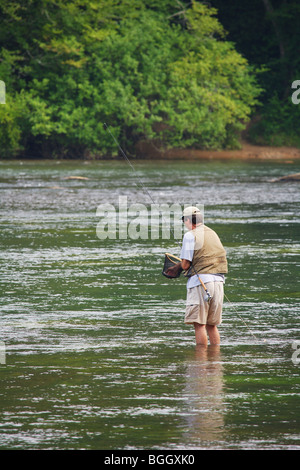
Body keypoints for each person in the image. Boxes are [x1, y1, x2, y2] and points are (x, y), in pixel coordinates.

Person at [166, 206, 228, 346]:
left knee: (199, 324)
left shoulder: (190, 235)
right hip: (218, 282)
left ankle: (200, 362)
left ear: (188, 220)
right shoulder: (212, 233)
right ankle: (214, 360)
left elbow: (186, 265)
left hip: (200, 283)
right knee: (211, 325)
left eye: (184, 221)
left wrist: (177, 267)